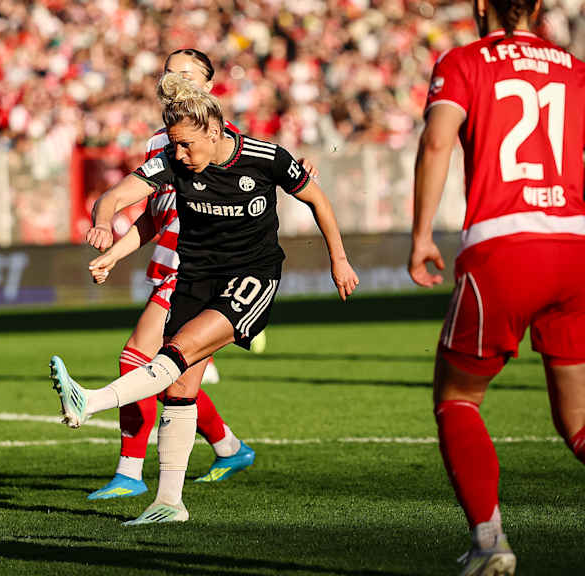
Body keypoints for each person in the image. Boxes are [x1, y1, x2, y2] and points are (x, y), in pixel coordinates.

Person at [52, 72, 358, 525]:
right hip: (193, 278)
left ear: (215, 132)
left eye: (186, 145)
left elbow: (318, 200)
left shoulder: (265, 157)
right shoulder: (175, 164)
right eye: (173, 145)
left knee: (175, 352)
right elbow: (117, 196)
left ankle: (91, 402)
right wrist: (102, 223)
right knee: (179, 390)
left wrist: (339, 258)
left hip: (250, 277)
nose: (178, 154)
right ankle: (169, 503)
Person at [409, 0, 585, 573]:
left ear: (480, 6)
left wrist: (421, 235)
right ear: (538, 7)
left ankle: (490, 542)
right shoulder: (577, 68)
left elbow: (438, 142)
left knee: (458, 398)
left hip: (505, 246)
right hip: (580, 247)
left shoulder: (465, 62)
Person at [83, 49, 260, 501]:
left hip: (199, 269)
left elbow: (263, 177)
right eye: (168, 72)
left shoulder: (222, 140)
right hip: (167, 262)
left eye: (186, 73)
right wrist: (115, 253)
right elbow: (152, 217)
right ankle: (228, 447)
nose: (174, 78)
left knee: (138, 359)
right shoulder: (159, 142)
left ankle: (130, 472)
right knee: (173, 376)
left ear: (208, 86)